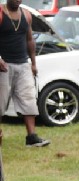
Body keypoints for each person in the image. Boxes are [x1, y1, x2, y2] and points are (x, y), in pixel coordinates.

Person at [0, 0, 50, 147]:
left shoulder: (26, 15)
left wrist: (33, 63)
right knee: (0, 103)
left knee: (28, 100)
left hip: (23, 64)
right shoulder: (1, 13)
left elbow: (29, 40)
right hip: (4, 66)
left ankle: (32, 137)